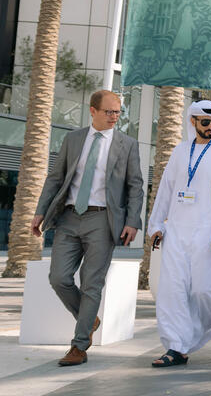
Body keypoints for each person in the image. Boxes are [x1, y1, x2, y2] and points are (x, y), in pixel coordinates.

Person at [33, 90, 144, 366]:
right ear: (92, 111)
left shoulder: (127, 144)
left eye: (118, 112)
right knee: (58, 278)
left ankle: (79, 345)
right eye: (109, 112)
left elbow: (135, 186)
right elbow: (55, 178)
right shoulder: (73, 139)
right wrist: (39, 212)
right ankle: (89, 318)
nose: (114, 117)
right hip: (69, 217)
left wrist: (132, 221)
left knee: (92, 283)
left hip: (102, 220)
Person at [146, 100, 211, 368]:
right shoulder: (180, 151)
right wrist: (156, 225)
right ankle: (176, 347)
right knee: (171, 291)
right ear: (193, 122)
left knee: (204, 290)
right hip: (176, 230)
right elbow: (166, 189)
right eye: (206, 122)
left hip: (207, 232)